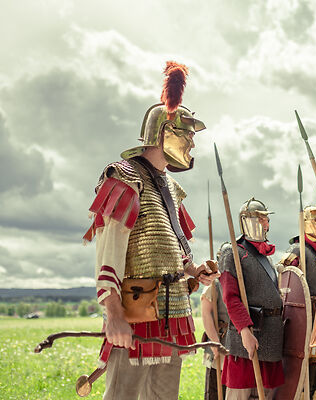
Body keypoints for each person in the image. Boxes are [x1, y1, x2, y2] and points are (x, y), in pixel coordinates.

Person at [84, 61, 218, 399]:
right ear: (165, 132)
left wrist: (194, 270)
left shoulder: (170, 188)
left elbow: (174, 245)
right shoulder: (125, 177)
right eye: (187, 133)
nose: (192, 142)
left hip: (173, 315)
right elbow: (108, 254)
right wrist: (113, 315)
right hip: (135, 314)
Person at [219, 198, 284, 399]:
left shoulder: (265, 256)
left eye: (266, 220)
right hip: (247, 336)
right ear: (246, 221)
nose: (266, 224)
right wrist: (244, 331)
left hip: (270, 336)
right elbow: (231, 298)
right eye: (260, 219)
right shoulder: (232, 252)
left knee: (264, 394)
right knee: (239, 394)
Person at [279, 206, 316, 397]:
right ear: (306, 223)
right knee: (304, 376)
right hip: (306, 325)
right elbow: (285, 284)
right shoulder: (297, 250)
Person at [201, 243, 230, 400]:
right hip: (219, 341)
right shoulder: (215, 284)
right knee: (214, 391)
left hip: (234, 344)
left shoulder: (237, 281)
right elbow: (206, 314)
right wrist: (214, 343)